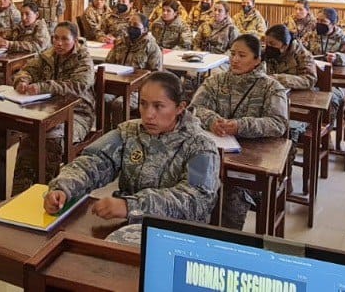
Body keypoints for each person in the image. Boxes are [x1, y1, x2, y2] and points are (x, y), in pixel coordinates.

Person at [43, 72, 221, 246]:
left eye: (159, 106)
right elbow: (93, 161)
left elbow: (196, 200)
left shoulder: (201, 146)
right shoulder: (129, 132)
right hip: (126, 228)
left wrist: (131, 205)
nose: (149, 114)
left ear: (180, 107)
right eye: (143, 104)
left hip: (175, 239)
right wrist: (64, 187)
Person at [190, 34, 289, 230]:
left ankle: (225, 248)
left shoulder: (271, 87)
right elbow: (194, 108)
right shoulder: (215, 81)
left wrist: (241, 125)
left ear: (257, 60)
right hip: (214, 153)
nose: (235, 59)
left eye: (242, 55)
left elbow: (278, 124)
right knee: (189, 185)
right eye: (233, 54)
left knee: (231, 194)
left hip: (250, 161)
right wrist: (211, 121)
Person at [10, 22, 97, 194]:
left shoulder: (83, 58)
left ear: (75, 40)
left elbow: (78, 85)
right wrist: (23, 80)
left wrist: (43, 86)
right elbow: (27, 70)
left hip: (78, 113)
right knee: (28, 138)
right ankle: (19, 194)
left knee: (52, 140)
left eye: (65, 39)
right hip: (49, 111)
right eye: (56, 38)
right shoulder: (47, 55)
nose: (59, 43)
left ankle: (47, 193)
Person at [303, 8, 345, 116]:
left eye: (323, 22)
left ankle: (325, 127)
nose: (319, 24)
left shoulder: (343, 38)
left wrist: (337, 57)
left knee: (331, 100)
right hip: (313, 77)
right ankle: (310, 125)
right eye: (317, 20)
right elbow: (300, 50)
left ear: (333, 24)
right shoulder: (311, 35)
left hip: (335, 81)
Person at [262, 24, 318, 91]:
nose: (268, 46)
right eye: (266, 43)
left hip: (297, 94)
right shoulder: (265, 53)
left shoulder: (302, 55)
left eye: (272, 43)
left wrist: (281, 79)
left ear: (285, 46)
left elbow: (310, 80)